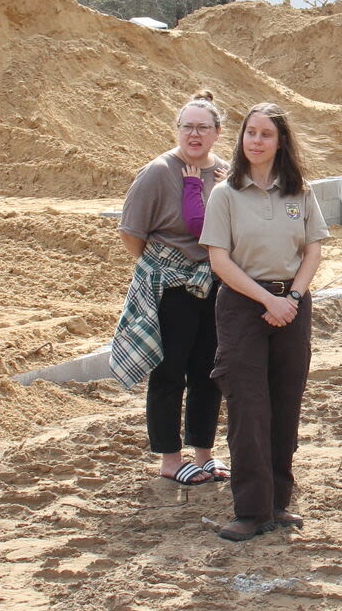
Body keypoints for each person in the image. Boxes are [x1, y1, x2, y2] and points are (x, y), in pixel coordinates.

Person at [201, 102, 329, 542]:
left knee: (284, 401)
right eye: (249, 133)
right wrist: (266, 301)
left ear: (281, 142)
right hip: (242, 305)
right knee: (248, 405)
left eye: (265, 134)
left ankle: (278, 504)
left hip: (292, 306)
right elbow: (219, 259)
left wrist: (291, 297)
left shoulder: (301, 192)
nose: (255, 141)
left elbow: (313, 250)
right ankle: (251, 510)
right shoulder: (225, 193)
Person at [114, 92, 229, 484]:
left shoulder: (225, 173)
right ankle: (170, 459)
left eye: (203, 127)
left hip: (213, 282)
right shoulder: (158, 171)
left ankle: (204, 453)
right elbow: (131, 232)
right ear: (177, 129)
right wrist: (163, 264)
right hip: (171, 285)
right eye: (187, 126)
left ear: (217, 133)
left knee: (208, 370)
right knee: (169, 372)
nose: (194, 134)